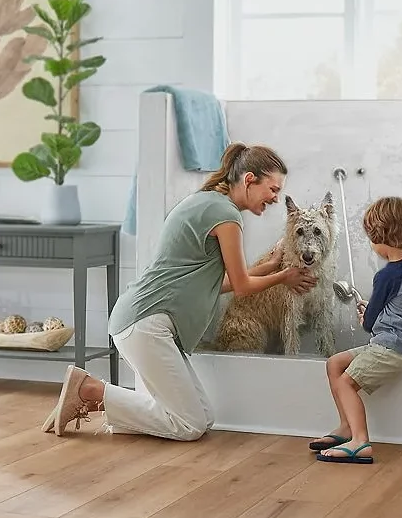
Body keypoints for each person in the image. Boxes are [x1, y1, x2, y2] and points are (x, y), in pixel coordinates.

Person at [43, 142, 317, 440]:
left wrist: (274, 266)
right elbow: (241, 287)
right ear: (250, 179)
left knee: (204, 417)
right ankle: (89, 390)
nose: (276, 198)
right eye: (273, 189)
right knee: (190, 425)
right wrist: (284, 277)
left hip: (142, 323)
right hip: (146, 324)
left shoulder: (209, 203)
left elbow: (219, 284)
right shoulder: (226, 216)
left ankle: (96, 400)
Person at [310, 196, 402, 464]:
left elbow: (370, 323)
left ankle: (360, 442)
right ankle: (345, 427)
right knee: (334, 363)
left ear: (380, 237)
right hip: (401, 342)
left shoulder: (387, 275)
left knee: (346, 382)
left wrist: (365, 316)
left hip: (392, 346)